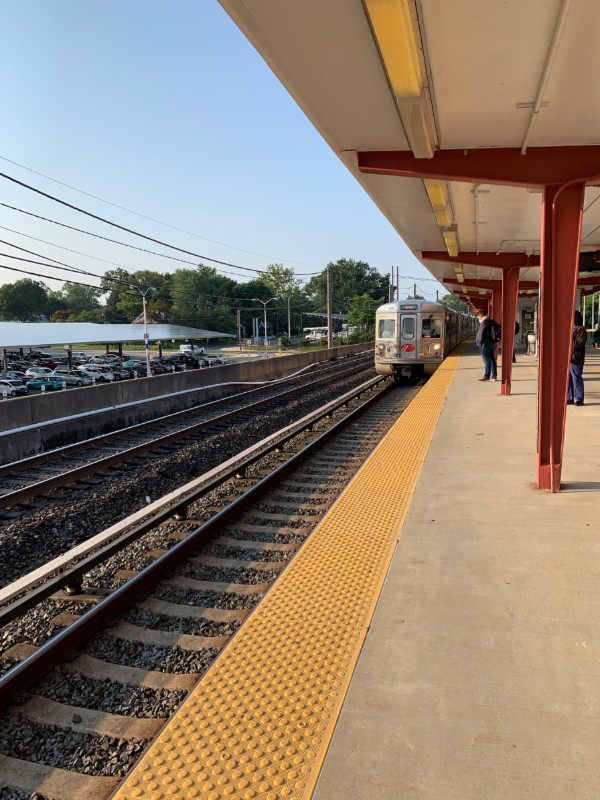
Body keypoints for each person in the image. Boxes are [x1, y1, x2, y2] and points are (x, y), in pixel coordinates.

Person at [568, 310, 587, 406]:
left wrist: (569, 339)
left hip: (576, 358)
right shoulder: (570, 329)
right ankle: (569, 397)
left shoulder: (581, 330)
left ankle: (579, 398)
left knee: (576, 378)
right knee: (568, 379)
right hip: (568, 358)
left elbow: (579, 343)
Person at [476, 311, 498, 381]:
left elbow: (480, 334)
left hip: (484, 344)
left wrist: (478, 343)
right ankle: (494, 376)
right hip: (492, 344)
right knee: (492, 360)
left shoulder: (484, 323)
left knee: (486, 361)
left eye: (478, 318)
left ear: (481, 316)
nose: (478, 319)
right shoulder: (492, 321)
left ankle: (486, 376)